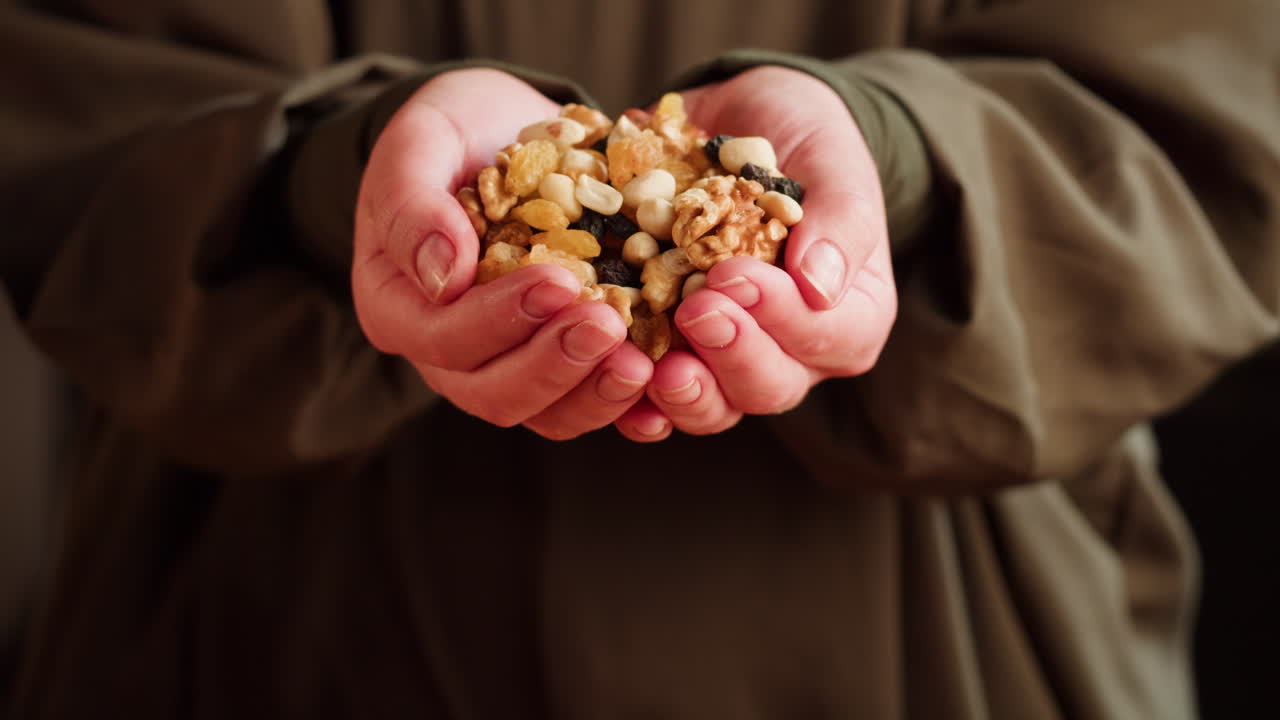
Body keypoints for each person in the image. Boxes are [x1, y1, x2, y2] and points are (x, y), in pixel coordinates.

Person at [1, 1, 1276, 718]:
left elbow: (1211, 128)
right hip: (270, 638)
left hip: (951, 652)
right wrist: (335, 181)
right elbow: (67, 125)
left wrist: (894, 159)